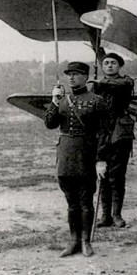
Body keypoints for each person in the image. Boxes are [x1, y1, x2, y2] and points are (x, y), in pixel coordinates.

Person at [44, 62, 110, 257]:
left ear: (85, 77)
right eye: (69, 74)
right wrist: (54, 102)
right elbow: (49, 124)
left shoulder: (97, 101)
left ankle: (85, 241)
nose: (71, 78)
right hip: (65, 155)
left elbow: (104, 133)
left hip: (86, 154)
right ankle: (73, 241)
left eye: (76, 74)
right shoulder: (63, 100)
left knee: (85, 200)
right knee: (71, 201)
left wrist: (101, 159)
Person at [91, 52, 135, 228]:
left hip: (119, 133)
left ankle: (117, 214)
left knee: (117, 175)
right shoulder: (97, 85)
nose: (109, 66)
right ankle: (105, 216)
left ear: (120, 66)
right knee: (102, 174)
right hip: (102, 132)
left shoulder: (125, 81)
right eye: (106, 63)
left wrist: (101, 84)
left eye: (113, 63)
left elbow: (121, 85)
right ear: (102, 67)